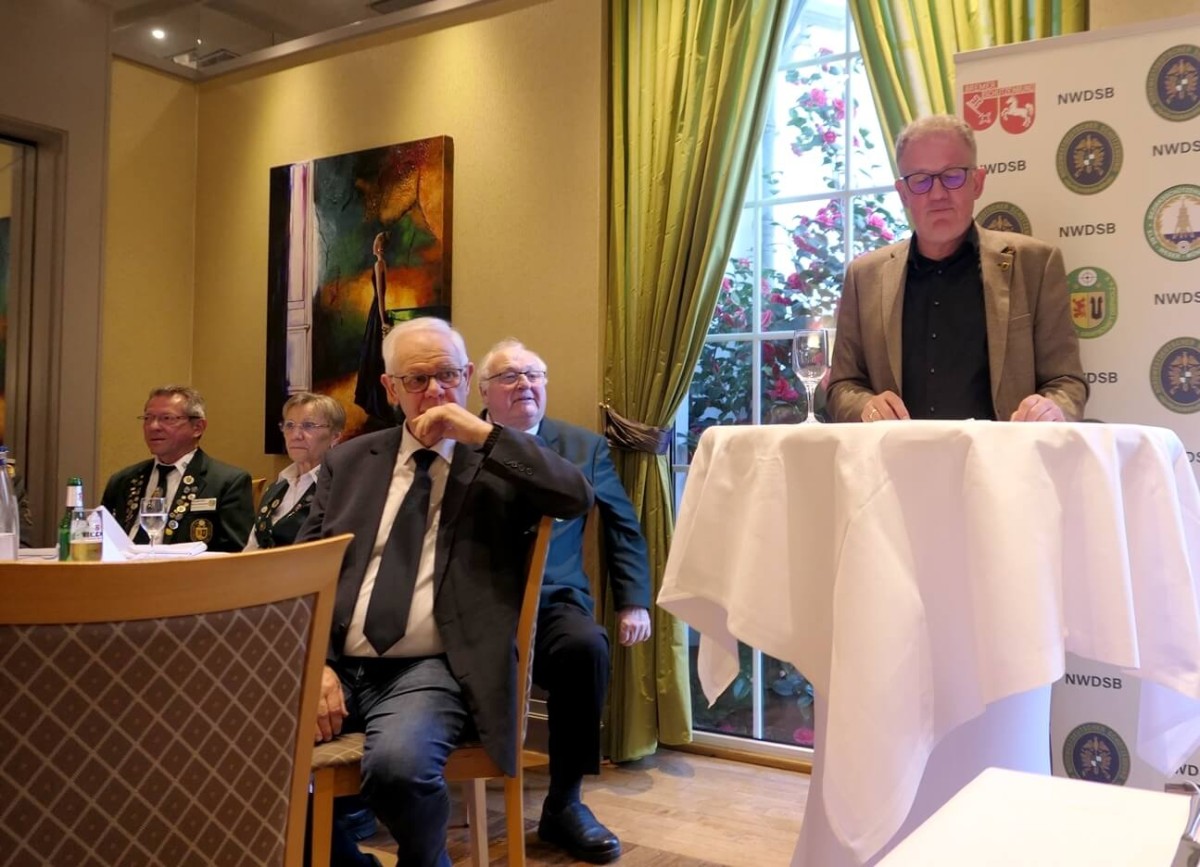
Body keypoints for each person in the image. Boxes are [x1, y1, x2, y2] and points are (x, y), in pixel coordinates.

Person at [296, 317, 593, 867]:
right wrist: (317, 665)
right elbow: (305, 570)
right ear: (390, 388)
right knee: (236, 745)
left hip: (429, 668)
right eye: (417, 379)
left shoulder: (499, 459)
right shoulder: (350, 461)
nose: (435, 391)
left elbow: (575, 496)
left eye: (448, 375)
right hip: (338, 660)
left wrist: (482, 435)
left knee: (399, 769)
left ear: (469, 376)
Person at [478, 338, 651, 865]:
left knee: (585, 647)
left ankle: (565, 803)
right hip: (476, 600)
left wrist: (634, 601)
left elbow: (622, 525)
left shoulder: (582, 447)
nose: (524, 384)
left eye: (534, 374)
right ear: (483, 392)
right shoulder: (459, 442)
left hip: (554, 601)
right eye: (509, 376)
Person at [827, 114, 1087, 423]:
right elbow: (842, 386)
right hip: (898, 454)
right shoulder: (864, 276)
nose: (938, 194)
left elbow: (1067, 382)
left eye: (952, 176)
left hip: (1002, 453)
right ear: (903, 193)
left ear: (977, 182)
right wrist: (865, 406)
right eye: (921, 180)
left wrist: (1053, 408)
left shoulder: (1036, 264)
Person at [101, 385, 253, 552]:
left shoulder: (227, 482)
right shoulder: (123, 480)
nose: (153, 426)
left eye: (167, 418)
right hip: (122, 566)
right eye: (148, 418)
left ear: (197, 427)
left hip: (187, 568)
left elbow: (235, 553)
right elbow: (102, 539)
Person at [246, 392, 345, 551]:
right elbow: (252, 547)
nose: (295, 435)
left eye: (308, 426)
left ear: (335, 437)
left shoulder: (340, 489)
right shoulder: (277, 486)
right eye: (290, 425)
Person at [354, 231, 393, 424]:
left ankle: (376, 403)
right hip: (377, 311)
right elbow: (381, 295)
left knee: (375, 356)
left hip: (377, 311)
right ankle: (375, 403)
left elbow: (380, 295)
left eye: (380, 244)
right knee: (374, 356)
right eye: (378, 243)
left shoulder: (379, 265)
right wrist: (382, 318)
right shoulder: (381, 264)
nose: (377, 247)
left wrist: (382, 319)